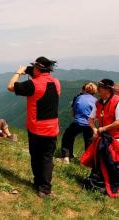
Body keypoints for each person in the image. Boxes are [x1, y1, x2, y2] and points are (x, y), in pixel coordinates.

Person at [7, 56, 61, 198]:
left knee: (36, 156)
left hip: (37, 128)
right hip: (52, 128)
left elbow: (10, 87)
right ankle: (44, 188)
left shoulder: (33, 85)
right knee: (46, 158)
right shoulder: (56, 83)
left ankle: (40, 184)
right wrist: (33, 71)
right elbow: (42, 78)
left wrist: (18, 72)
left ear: (37, 68)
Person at [81, 79, 119, 197]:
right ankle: (100, 183)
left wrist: (103, 128)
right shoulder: (98, 103)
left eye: (100, 88)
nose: (98, 90)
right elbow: (90, 119)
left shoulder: (117, 102)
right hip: (103, 139)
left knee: (113, 163)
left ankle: (112, 184)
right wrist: (94, 129)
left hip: (115, 138)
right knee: (101, 162)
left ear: (107, 90)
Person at [61, 82, 97, 164]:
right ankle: (87, 161)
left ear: (85, 89)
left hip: (78, 122)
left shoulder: (79, 97)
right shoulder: (96, 101)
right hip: (89, 124)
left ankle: (67, 157)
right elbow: (95, 116)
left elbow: (74, 112)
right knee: (89, 142)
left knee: (67, 136)